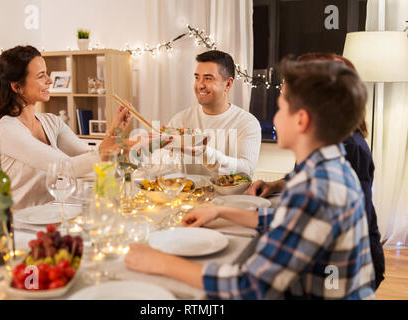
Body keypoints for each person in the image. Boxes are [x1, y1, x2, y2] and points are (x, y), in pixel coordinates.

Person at [125, 58, 375, 299]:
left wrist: (162, 262)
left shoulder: (315, 188)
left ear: (302, 120)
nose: (275, 119)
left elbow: (250, 287)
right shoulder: (326, 168)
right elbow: (285, 218)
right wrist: (219, 212)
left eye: (282, 109)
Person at [247, 52, 385, 290]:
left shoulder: (348, 149)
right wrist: (276, 185)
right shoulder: (325, 151)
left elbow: (250, 286)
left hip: (345, 272)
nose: (274, 116)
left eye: (282, 103)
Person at [0, 45, 134, 210]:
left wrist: (115, 131)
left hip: (51, 214)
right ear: (17, 87)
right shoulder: (5, 130)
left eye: (47, 73)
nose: (50, 80)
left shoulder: (51, 121)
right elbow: (66, 167)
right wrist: (126, 145)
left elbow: (89, 157)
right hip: (18, 224)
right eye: (41, 75)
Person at [164, 50, 261, 178]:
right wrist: (154, 150)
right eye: (197, 78)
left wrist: (205, 154)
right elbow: (165, 168)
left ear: (228, 84)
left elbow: (246, 170)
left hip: (230, 198)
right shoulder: (180, 120)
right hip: (188, 197)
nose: (200, 85)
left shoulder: (247, 122)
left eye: (208, 78)